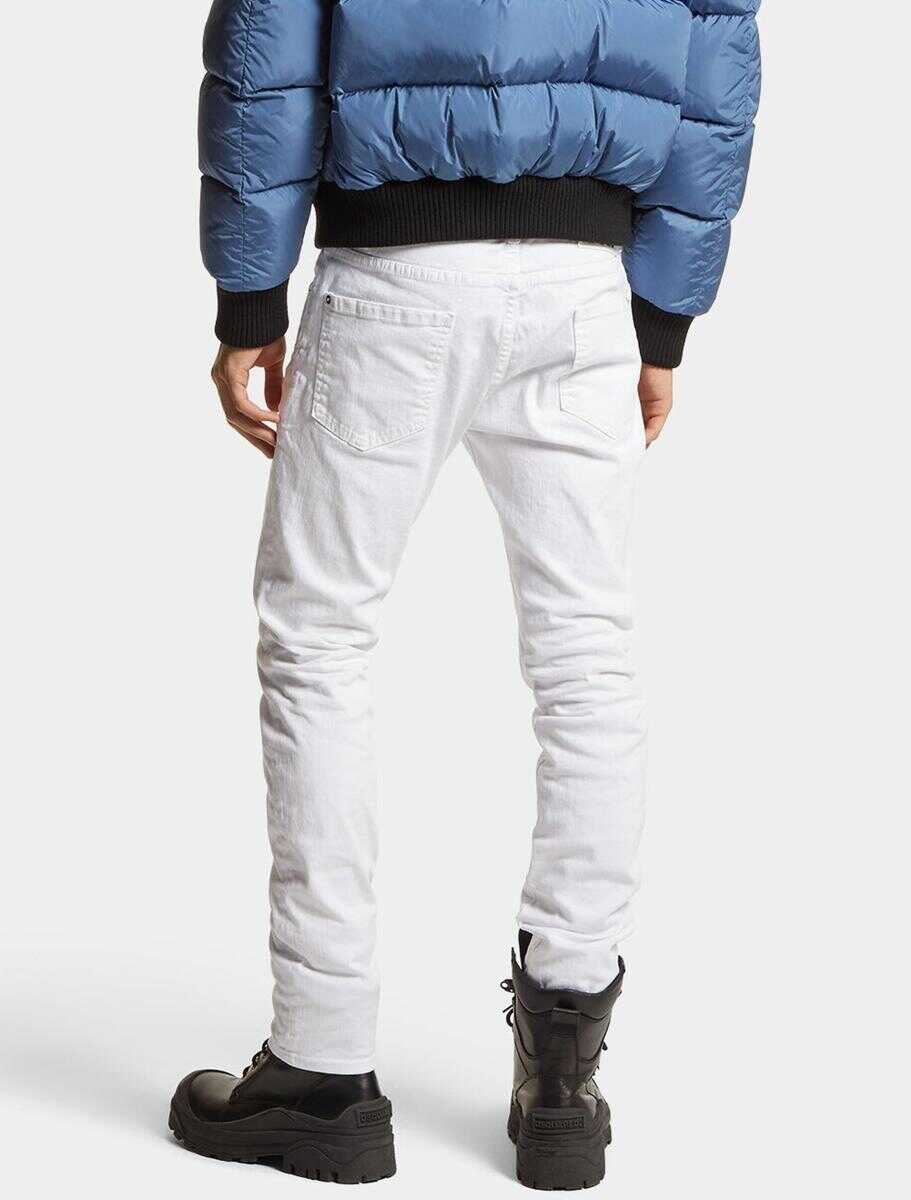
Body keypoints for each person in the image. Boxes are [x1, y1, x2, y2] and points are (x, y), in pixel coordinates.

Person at [170, 0, 761, 1188]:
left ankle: (322, 1069)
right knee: (586, 657)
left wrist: (249, 296)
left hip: (393, 268)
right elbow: (716, 60)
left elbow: (268, 39)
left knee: (320, 639)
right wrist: (661, 318)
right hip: (584, 284)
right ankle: (563, 1083)